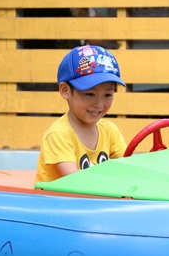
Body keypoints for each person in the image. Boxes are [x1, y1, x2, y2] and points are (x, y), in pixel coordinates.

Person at [36, 44, 127, 183]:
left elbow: (126, 169)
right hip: (59, 202)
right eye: (90, 94)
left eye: (107, 95)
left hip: (94, 200)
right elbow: (73, 180)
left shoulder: (110, 131)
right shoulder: (58, 134)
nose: (99, 104)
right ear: (65, 90)